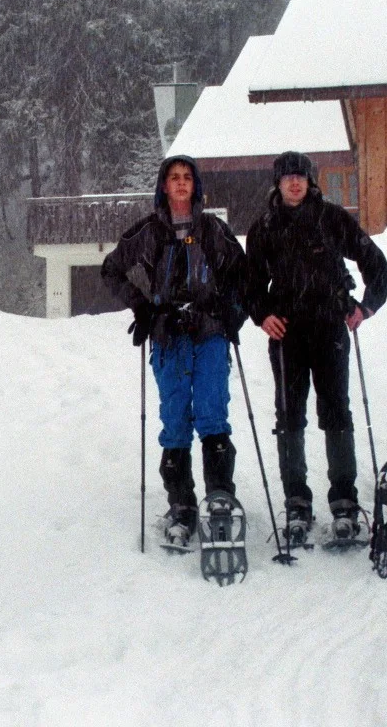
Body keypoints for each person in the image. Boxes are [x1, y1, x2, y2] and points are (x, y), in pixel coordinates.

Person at [243, 151, 387, 545]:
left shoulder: (332, 218)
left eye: (301, 177)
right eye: (288, 177)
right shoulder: (264, 228)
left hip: (330, 326)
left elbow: (376, 263)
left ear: (311, 181)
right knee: (289, 416)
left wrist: (366, 306)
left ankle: (344, 502)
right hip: (287, 331)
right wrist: (261, 314)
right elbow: (250, 283)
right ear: (278, 182)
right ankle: (296, 503)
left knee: (336, 412)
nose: (295, 183)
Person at [102, 155, 248, 546]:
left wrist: (232, 315)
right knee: (175, 418)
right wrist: (143, 307)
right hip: (169, 335)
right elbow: (111, 269)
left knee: (213, 414)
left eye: (187, 178)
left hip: (210, 332)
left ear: (195, 185)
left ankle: (219, 500)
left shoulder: (213, 229)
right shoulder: (148, 231)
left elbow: (243, 275)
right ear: (164, 186)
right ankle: (181, 506)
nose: (181, 184)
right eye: (174, 178)